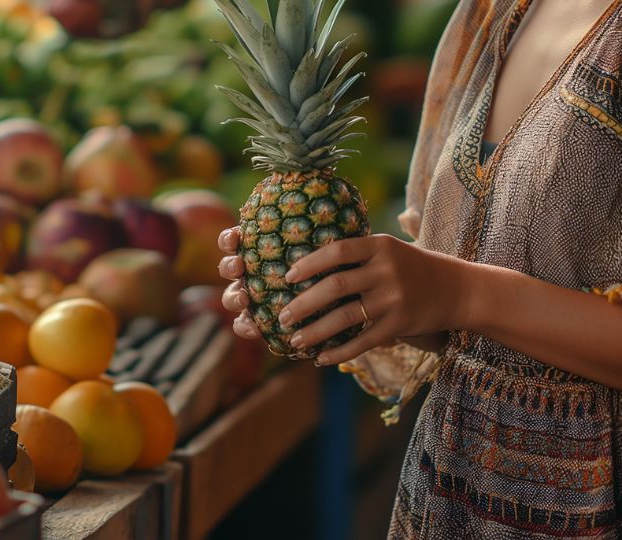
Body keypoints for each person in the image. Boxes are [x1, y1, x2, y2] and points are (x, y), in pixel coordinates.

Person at [217, 0, 622, 537]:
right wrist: (378, 297)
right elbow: (489, 329)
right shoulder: (494, 13)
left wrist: (462, 294)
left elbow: (472, 295)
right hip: (450, 500)